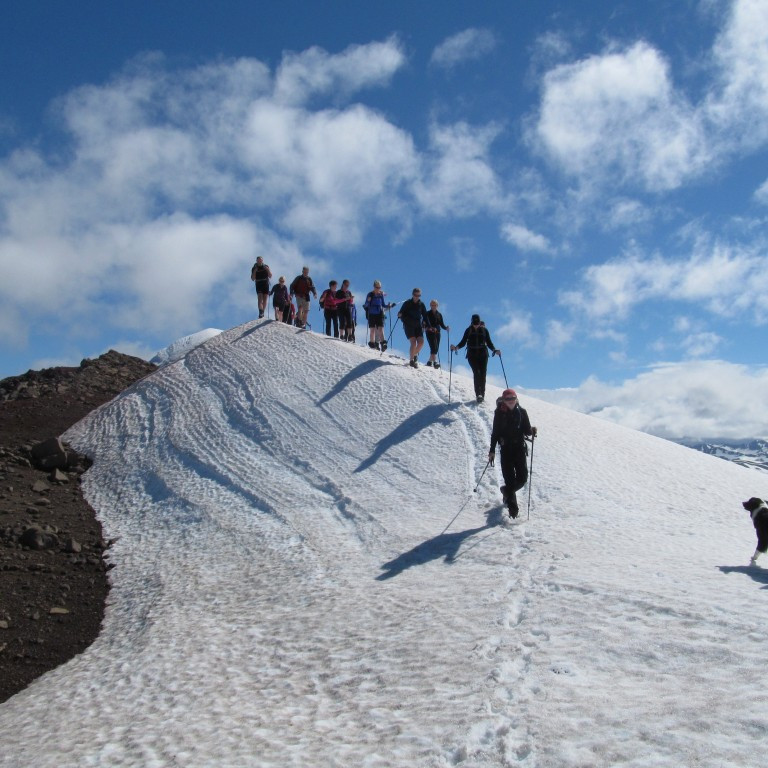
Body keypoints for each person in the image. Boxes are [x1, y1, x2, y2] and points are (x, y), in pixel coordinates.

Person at [488, 389, 537, 518]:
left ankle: (505, 491)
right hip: (506, 450)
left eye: (512, 398)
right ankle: (513, 511)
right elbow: (495, 433)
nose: (510, 401)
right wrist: (492, 450)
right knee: (509, 480)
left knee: (522, 478)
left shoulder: (522, 412)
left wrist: (531, 431)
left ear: (516, 399)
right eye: (508, 399)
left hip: (519, 450)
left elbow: (526, 430)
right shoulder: (499, 413)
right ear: (503, 400)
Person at [450, 314, 500, 403]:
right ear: (471, 322)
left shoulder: (484, 330)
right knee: (477, 372)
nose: (476, 325)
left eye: (477, 323)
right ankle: (478, 394)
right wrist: (456, 347)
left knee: (483, 374)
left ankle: (482, 395)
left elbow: (489, 343)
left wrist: (494, 350)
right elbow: (463, 342)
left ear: (479, 322)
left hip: (483, 354)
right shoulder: (468, 330)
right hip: (471, 354)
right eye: (474, 323)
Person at [398, 288, 430, 368]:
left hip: (418, 325)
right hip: (408, 325)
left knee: (421, 342)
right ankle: (412, 360)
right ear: (413, 294)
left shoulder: (421, 304)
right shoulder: (407, 303)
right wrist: (401, 316)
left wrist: (428, 326)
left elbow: (425, 316)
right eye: (415, 295)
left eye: (419, 295)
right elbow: (401, 312)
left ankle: (414, 354)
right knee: (413, 342)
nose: (417, 297)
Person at [363, 280, 394, 350]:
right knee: (372, 330)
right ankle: (372, 343)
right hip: (371, 313)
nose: (378, 289)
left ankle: (383, 343)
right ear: (374, 287)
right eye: (377, 287)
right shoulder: (370, 294)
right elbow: (366, 305)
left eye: (379, 287)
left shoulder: (381, 295)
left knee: (381, 329)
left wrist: (388, 306)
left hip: (379, 313)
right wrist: (368, 300)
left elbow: (383, 304)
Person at [425, 299, 449, 368]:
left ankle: (429, 362)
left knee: (436, 348)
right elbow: (424, 323)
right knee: (433, 347)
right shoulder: (427, 314)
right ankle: (435, 362)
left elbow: (442, 324)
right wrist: (428, 328)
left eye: (435, 305)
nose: (433, 306)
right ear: (430, 305)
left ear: (437, 306)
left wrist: (446, 328)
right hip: (430, 332)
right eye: (432, 305)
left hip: (438, 332)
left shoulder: (439, 314)